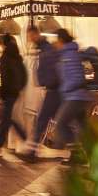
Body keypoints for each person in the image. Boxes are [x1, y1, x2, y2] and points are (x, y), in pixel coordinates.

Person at [0, 35, 28, 158]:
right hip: (14, 92)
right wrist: (19, 88)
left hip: (8, 92)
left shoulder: (5, 58)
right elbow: (24, 76)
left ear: (4, 44)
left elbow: (4, 78)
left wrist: (3, 91)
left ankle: (1, 145)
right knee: (6, 119)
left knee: (6, 119)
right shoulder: (18, 58)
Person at [54, 28, 92, 164]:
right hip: (76, 96)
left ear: (61, 40)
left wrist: (64, 89)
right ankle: (91, 155)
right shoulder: (69, 54)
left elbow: (76, 79)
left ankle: (78, 154)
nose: (55, 43)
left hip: (75, 97)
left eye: (56, 40)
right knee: (83, 128)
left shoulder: (69, 56)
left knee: (61, 124)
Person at [23, 24, 60, 155]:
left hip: (54, 90)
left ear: (35, 34)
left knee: (43, 120)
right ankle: (78, 151)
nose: (29, 39)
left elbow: (50, 70)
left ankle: (32, 151)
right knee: (64, 121)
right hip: (53, 89)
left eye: (30, 36)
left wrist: (44, 82)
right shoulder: (43, 48)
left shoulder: (46, 49)